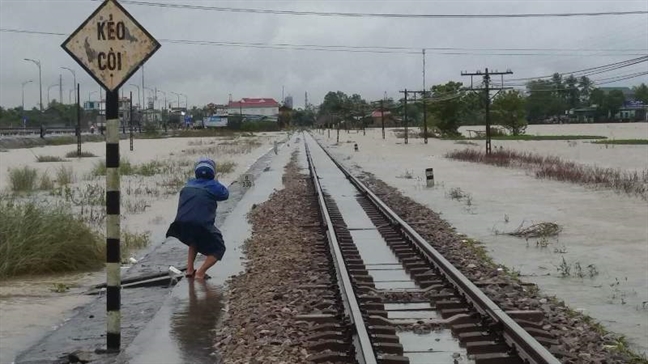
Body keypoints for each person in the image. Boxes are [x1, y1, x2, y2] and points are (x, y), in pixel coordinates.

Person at [166, 157, 229, 280]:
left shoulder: (188, 184)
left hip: (181, 223)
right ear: (212, 173)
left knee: (193, 241)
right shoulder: (213, 185)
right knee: (219, 249)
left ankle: (189, 270)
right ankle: (200, 273)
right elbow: (225, 194)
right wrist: (217, 182)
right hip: (201, 223)